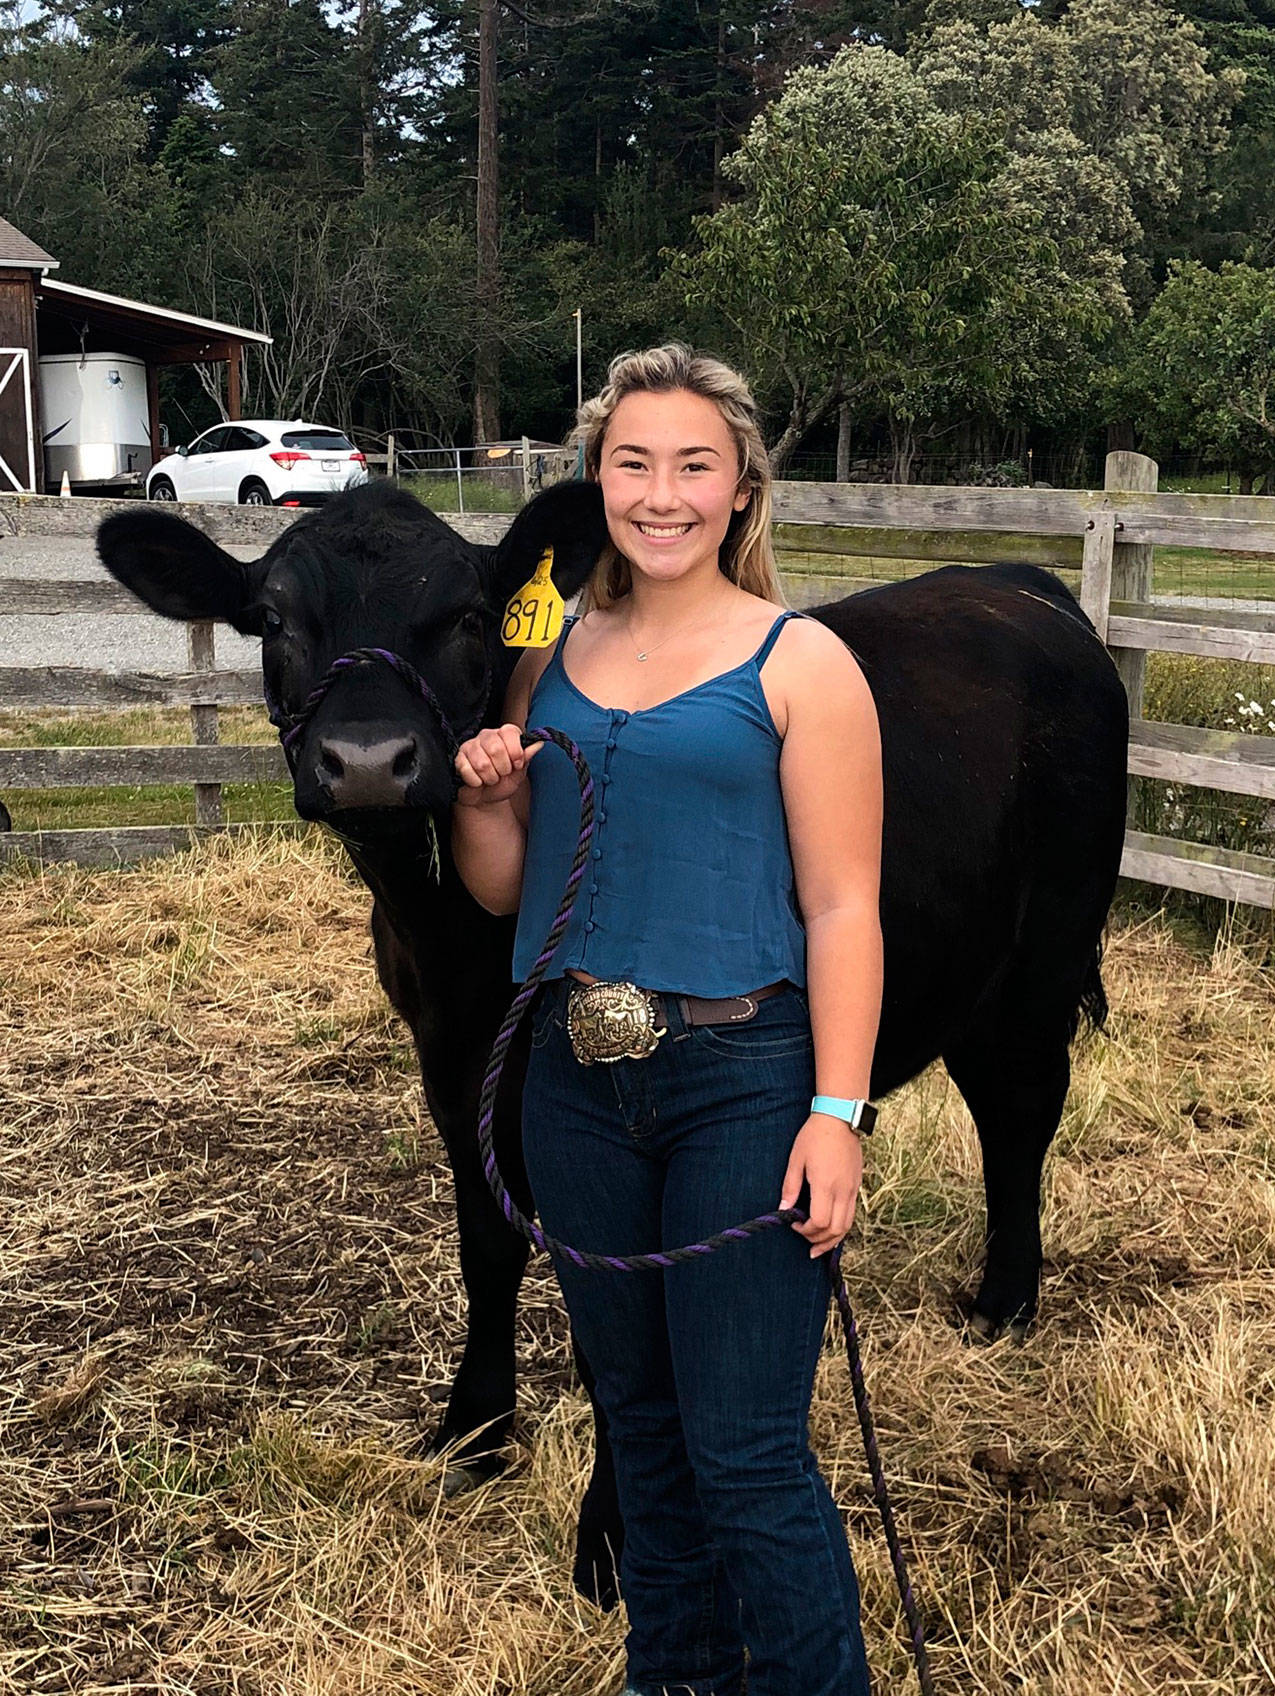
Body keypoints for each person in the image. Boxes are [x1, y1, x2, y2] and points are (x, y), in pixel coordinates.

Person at [451, 343, 883, 1696]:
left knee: (746, 1447)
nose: (662, 492)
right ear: (596, 482)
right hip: (574, 1082)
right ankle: (678, 1673)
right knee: (638, 1427)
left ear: (743, 487)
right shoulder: (552, 658)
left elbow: (845, 910)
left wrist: (837, 1113)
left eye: (695, 464)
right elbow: (504, 887)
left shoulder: (802, 663)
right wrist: (479, 794)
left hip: (743, 1077)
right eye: (633, 463)